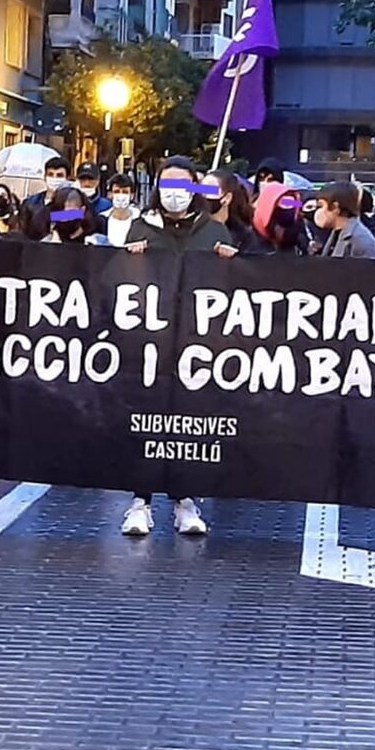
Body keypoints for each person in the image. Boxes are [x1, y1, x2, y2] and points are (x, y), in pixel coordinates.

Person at [122, 157, 235, 538]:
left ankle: (185, 500)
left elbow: (232, 290)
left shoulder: (213, 231)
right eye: (166, 184)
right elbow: (120, 284)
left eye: (182, 185)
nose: (173, 193)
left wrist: (229, 264)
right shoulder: (142, 227)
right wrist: (129, 259)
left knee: (188, 423)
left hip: (195, 347)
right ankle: (141, 502)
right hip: (149, 346)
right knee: (145, 420)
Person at [314, 181, 375, 259]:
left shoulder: (362, 242)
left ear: (335, 207)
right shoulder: (336, 233)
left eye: (320, 206)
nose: (317, 211)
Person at [208, 170, 263, 254]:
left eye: (210, 190)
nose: (202, 195)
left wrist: (235, 258)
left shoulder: (244, 236)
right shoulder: (192, 227)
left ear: (227, 198)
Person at [251, 182, 312, 256]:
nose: (288, 207)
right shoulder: (250, 238)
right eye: (282, 203)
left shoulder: (298, 233)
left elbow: (299, 204)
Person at [102, 172, 140, 247]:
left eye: (125, 192)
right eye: (116, 192)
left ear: (132, 195)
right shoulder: (102, 220)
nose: (121, 195)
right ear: (110, 194)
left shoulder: (140, 219)